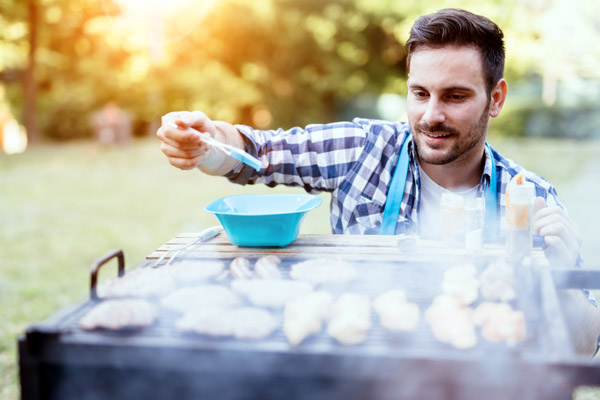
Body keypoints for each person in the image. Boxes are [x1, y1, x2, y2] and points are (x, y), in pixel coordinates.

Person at [157, 8, 600, 355]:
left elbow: (580, 353)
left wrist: (564, 277)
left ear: (496, 98)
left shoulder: (531, 198)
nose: (431, 116)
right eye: (420, 93)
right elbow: (262, 153)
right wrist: (206, 142)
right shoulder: (364, 148)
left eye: (456, 96)